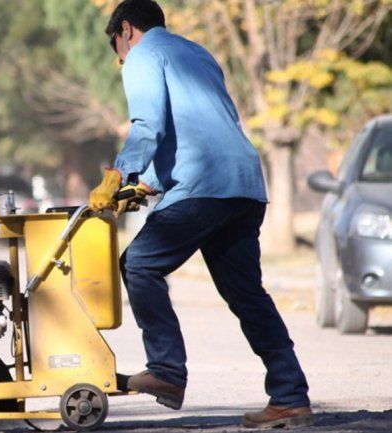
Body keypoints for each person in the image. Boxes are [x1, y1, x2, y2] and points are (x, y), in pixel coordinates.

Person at [88, 1, 312, 429]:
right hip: (244, 185)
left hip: (203, 186)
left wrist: (117, 175)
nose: (119, 57)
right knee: (249, 297)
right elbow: (197, 127)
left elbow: (148, 125)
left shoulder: (142, 56)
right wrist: (149, 181)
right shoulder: (196, 52)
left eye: (116, 46)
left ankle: (167, 372)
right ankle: (290, 397)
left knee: (139, 263)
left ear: (127, 30)